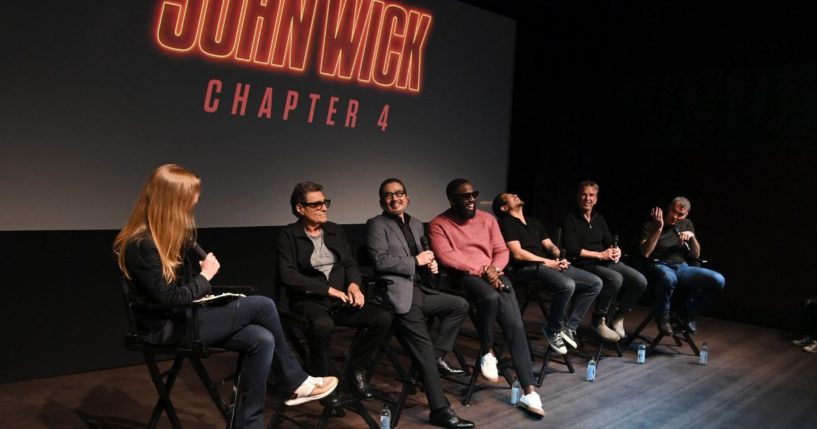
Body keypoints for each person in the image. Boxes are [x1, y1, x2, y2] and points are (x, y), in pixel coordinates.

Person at [113, 164, 337, 429]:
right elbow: (170, 298)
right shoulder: (142, 244)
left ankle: (249, 424)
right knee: (263, 306)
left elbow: (183, 292)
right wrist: (204, 277)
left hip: (185, 317)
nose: (195, 202)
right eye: (190, 197)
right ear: (172, 200)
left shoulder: (170, 238)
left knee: (261, 339)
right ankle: (296, 381)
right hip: (164, 328)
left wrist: (203, 286)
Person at [429, 178, 545, 418]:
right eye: (465, 196)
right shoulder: (439, 223)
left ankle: (529, 391)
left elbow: (502, 251)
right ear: (452, 199)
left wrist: (494, 268)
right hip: (464, 277)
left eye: (474, 194)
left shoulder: (488, 219)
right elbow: (446, 257)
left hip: (494, 274)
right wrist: (483, 270)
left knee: (515, 324)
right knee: (490, 297)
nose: (471, 199)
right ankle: (487, 351)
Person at [366, 178, 474, 429]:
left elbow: (422, 258)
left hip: (420, 290)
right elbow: (381, 261)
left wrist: (431, 265)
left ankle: (436, 358)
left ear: (407, 197)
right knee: (422, 347)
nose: (395, 198)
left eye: (399, 193)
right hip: (397, 295)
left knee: (459, 305)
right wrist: (416, 260)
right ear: (382, 201)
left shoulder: (415, 223)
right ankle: (440, 409)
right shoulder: (376, 224)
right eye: (389, 195)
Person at [277, 181, 391, 400]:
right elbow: (288, 275)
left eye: (325, 202)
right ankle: (322, 382)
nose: (324, 208)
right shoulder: (288, 235)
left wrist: (354, 286)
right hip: (310, 302)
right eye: (317, 204)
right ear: (300, 208)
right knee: (322, 325)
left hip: (341, 300)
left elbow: (349, 263)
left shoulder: (335, 230)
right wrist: (329, 291)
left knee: (381, 318)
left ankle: (354, 371)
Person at [492, 192, 603, 355]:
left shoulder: (534, 222)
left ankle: (569, 327)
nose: (515, 195)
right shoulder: (506, 223)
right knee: (567, 285)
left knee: (595, 283)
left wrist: (560, 258)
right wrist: (550, 263)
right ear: (504, 207)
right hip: (527, 268)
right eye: (509, 196)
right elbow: (518, 254)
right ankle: (553, 329)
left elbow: (550, 246)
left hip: (547, 265)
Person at [562, 181, 647, 343]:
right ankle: (599, 319)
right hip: (583, 264)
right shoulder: (569, 219)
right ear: (578, 197)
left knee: (640, 281)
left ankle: (617, 316)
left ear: (596, 199)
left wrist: (617, 250)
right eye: (584, 194)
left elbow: (609, 241)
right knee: (615, 278)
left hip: (604, 261)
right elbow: (572, 249)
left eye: (591, 195)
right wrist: (600, 254)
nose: (587, 198)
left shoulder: (599, 218)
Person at [641, 196, 725, 335]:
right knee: (668, 278)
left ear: (686, 215)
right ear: (668, 208)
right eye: (673, 211)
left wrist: (692, 237)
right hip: (660, 266)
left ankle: (686, 313)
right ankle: (663, 317)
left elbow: (696, 255)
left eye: (680, 215)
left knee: (718, 280)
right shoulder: (650, 225)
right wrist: (659, 228)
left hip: (682, 268)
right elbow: (645, 253)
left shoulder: (686, 224)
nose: (675, 216)